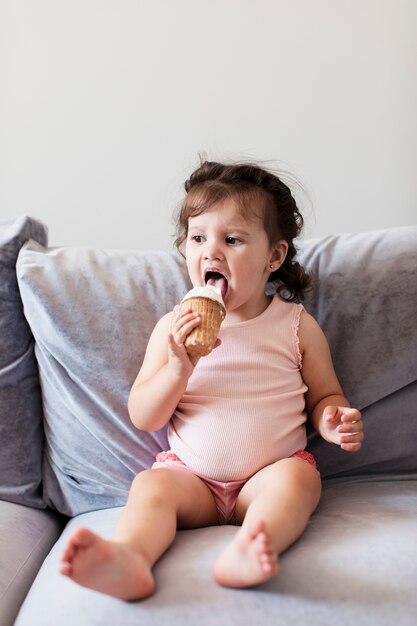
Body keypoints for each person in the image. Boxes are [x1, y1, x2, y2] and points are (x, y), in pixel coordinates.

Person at [60, 160, 364, 600]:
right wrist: (179, 369)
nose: (211, 252)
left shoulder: (295, 326)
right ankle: (128, 557)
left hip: (267, 474)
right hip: (192, 480)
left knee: (299, 481)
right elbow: (144, 416)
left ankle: (252, 546)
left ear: (273, 257)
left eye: (232, 239)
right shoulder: (173, 327)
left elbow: (324, 395)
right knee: (150, 486)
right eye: (198, 238)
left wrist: (331, 418)